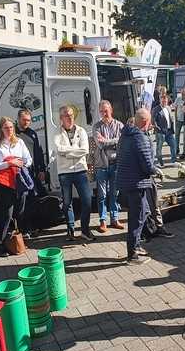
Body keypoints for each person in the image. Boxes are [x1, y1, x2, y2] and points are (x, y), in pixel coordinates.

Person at [116, 109, 157, 264]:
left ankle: (137, 244)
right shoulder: (140, 137)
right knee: (136, 218)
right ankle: (132, 254)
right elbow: (147, 165)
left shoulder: (125, 135)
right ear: (146, 122)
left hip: (127, 182)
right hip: (137, 183)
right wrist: (155, 170)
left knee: (143, 212)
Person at [0, 116, 33, 254]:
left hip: (19, 181)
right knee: (6, 215)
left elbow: (29, 159)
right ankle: (1, 243)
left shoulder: (19, 142)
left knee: (20, 211)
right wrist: (9, 163)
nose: (9, 130)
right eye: (6, 127)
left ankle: (18, 240)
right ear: (1, 129)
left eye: (11, 127)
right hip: (5, 183)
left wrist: (22, 163)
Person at [54, 105, 93, 241]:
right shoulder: (56, 133)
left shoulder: (81, 131)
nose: (69, 117)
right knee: (67, 202)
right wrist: (74, 151)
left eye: (71, 115)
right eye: (66, 115)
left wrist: (68, 152)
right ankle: (70, 230)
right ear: (61, 118)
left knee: (87, 200)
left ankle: (85, 229)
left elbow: (85, 150)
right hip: (64, 172)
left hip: (80, 170)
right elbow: (59, 150)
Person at [92, 100, 124, 232]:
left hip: (116, 164)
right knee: (102, 195)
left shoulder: (119, 125)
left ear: (111, 110)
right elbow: (101, 145)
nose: (104, 113)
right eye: (101, 111)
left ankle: (115, 219)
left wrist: (109, 141)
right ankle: (103, 221)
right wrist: (115, 141)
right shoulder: (96, 127)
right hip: (102, 165)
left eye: (106, 110)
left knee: (114, 193)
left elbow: (122, 142)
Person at [16, 108, 48, 194]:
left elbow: (38, 152)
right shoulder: (13, 133)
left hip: (33, 170)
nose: (26, 122)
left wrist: (42, 170)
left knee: (36, 195)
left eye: (28, 120)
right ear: (18, 119)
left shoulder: (32, 133)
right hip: (19, 170)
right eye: (24, 120)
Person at [153, 91, 178, 166]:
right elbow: (153, 121)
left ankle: (173, 161)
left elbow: (170, 118)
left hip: (169, 131)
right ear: (160, 100)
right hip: (161, 132)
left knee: (173, 145)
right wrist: (158, 129)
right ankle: (160, 163)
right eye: (163, 101)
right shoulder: (156, 109)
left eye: (166, 101)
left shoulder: (168, 108)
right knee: (159, 148)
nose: (164, 102)